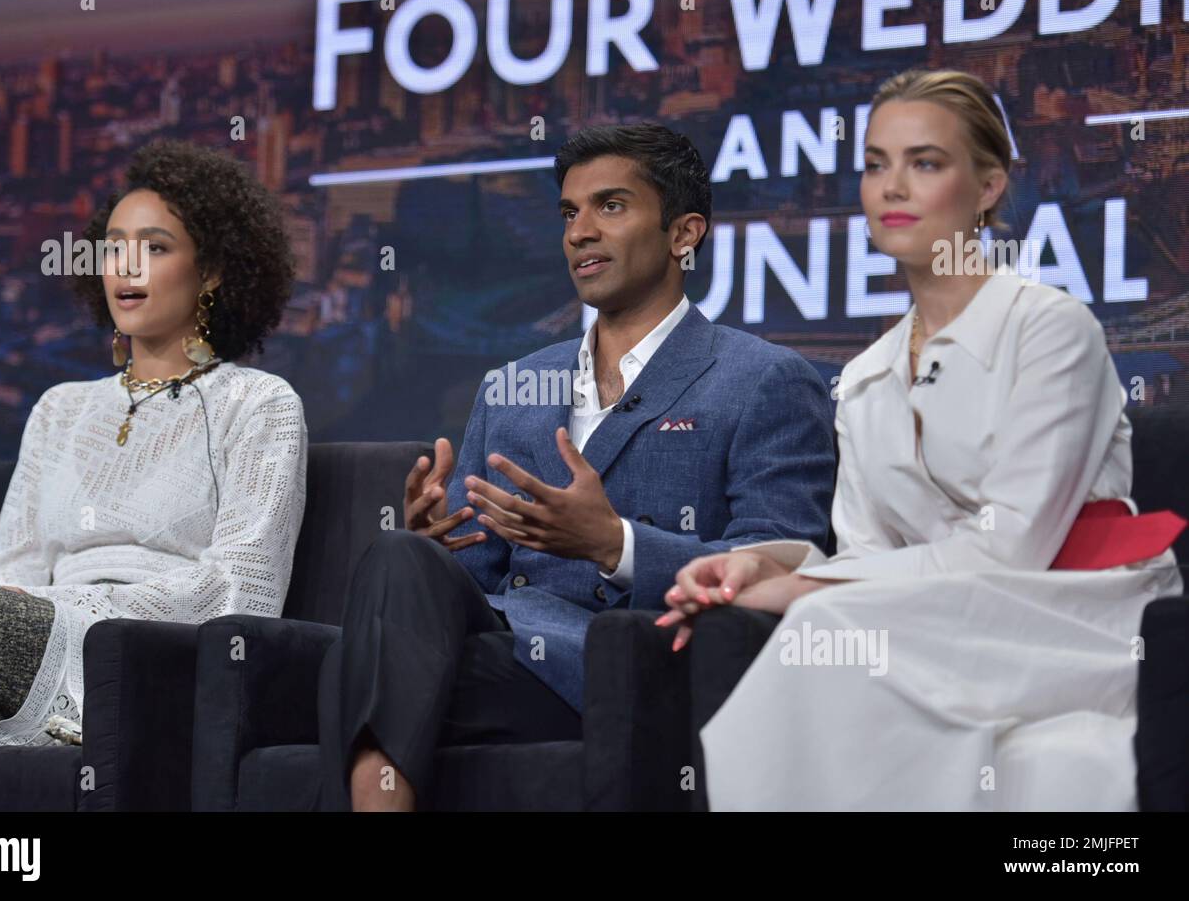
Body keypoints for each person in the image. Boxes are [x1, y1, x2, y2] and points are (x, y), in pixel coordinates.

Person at [659, 69, 1184, 811]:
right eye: (876, 164)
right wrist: (757, 564)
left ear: (989, 185)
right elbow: (872, 561)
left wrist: (799, 589)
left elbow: (1010, 549)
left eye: (925, 162)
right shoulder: (867, 375)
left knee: (822, 621)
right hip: (938, 621)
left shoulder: (1051, 328)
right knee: (826, 624)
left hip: (1075, 610)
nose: (891, 187)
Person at [316, 123, 837, 811]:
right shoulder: (512, 384)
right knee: (396, 557)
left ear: (684, 233)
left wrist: (613, 543)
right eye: (569, 212)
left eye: (611, 207)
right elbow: (478, 583)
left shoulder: (763, 379)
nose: (580, 231)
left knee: (345, 676)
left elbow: (784, 563)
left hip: (617, 665)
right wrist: (440, 546)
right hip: (494, 649)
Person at [0, 139, 309, 811]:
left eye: (156, 246)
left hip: (150, 660)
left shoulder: (258, 404)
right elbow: (12, 564)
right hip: (31, 651)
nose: (126, 265)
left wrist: (80, 612)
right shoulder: (61, 408)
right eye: (113, 246)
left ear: (214, 273)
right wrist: (13, 616)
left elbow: (242, 593)